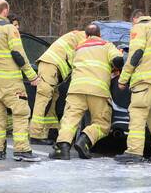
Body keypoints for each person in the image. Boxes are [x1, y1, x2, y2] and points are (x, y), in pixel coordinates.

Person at [0, 0, 40, 162]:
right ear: (5, 11)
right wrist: (32, 76)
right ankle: (21, 150)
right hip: (11, 81)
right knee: (21, 113)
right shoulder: (9, 28)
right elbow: (19, 54)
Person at [52, 23, 123, 159]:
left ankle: (63, 149)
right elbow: (118, 60)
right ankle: (85, 140)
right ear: (99, 35)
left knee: (70, 120)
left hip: (76, 89)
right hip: (98, 90)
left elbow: (73, 65)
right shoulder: (106, 45)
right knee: (102, 123)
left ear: (86, 35)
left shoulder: (78, 48)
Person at [116, 11, 151, 164]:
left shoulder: (139, 28)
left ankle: (134, 152)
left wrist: (123, 78)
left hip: (145, 79)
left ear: (134, 19)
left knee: (138, 115)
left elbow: (136, 53)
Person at [29, 26, 87, 144]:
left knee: (52, 99)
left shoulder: (77, 35)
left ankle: (51, 129)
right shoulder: (84, 40)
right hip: (50, 66)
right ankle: (35, 135)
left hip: (51, 67)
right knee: (43, 100)